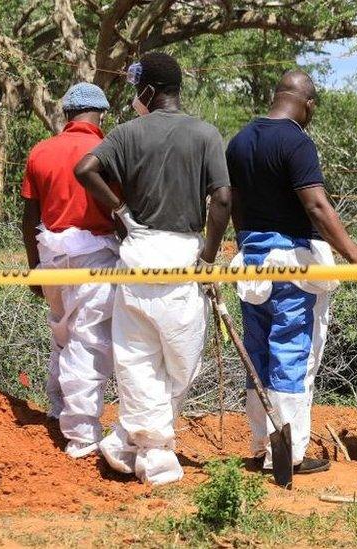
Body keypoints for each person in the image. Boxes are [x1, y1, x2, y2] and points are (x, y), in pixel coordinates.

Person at [75, 52, 232, 485]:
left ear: (149, 89)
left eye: (135, 91)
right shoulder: (205, 134)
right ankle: (156, 455)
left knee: (137, 358)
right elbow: (221, 200)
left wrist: (122, 211)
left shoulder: (126, 133)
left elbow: (84, 168)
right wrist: (208, 260)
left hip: (138, 254)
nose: (133, 100)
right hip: (182, 258)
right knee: (182, 363)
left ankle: (129, 438)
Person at [225, 70, 357, 474]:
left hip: (252, 264)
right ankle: (287, 454)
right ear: (308, 104)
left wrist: (245, 247)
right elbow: (317, 207)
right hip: (292, 266)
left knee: (257, 356)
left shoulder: (239, 141)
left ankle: (263, 445)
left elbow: (234, 204)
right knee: (293, 354)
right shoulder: (297, 141)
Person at [20, 83, 119, 459]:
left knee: (61, 331)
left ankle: (58, 409)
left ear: (66, 115)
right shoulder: (108, 149)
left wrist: (34, 269)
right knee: (88, 341)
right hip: (94, 255)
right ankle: (81, 435)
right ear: (100, 115)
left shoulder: (41, 151)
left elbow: (29, 217)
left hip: (51, 255)